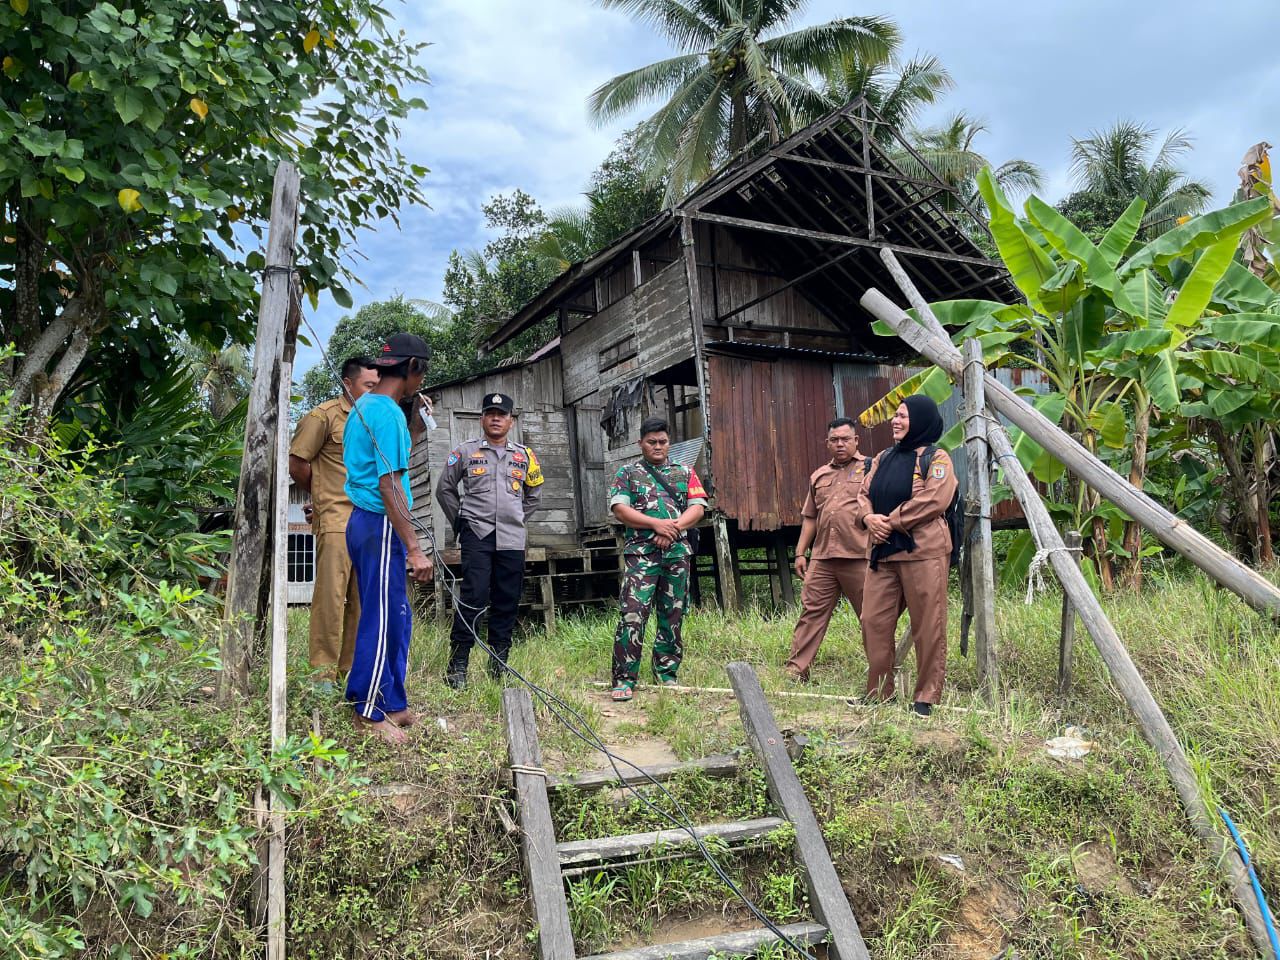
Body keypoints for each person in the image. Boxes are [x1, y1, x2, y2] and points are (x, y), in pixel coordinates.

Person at [342, 333, 435, 744]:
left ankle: (393, 701)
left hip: (369, 524)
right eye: (423, 372)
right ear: (413, 367)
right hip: (379, 524)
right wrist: (415, 548)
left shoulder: (367, 406)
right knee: (381, 619)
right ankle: (367, 710)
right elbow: (390, 485)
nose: (422, 381)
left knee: (397, 615)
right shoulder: (386, 414)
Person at [856, 395, 957, 717]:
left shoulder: (936, 458)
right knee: (872, 621)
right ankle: (878, 692)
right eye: (895, 416)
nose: (895, 421)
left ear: (921, 421)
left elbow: (935, 500)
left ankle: (925, 697)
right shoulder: (883, 456)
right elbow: (862, 493)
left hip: (922, 552)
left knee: (927, 623)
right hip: (882, 553)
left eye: (903, 416)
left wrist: (892, 521)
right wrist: (869, 519)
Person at [435, 392, 543, 689]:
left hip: (511, 538)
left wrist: (517, 517)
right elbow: (445, 489)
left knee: (506, 600)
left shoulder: (525, 456)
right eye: (491, 413)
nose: (496, 418)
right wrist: (462, 521)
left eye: (502, 414)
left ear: (511, 420)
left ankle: (498, 664)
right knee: (474, 596)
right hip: (477, 535)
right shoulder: (466, 452)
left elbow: (534, 495)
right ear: (482, 418)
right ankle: (458, 666)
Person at [288, 357, 379, 689]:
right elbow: (297, 462)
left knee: (363, 598)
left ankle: (351, 671)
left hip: (369, 521)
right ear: (347, 383)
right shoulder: (323, 416)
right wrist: (322, 495)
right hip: (337, 518)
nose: (374, 392)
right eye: (368, 386)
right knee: (330, 597)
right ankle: (322, 675)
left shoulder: (374, 420)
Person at [608, 417, 707, 702]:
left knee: (673, 616)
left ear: (668, 443)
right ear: (641, 443)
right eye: (651, 442)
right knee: (632, 614)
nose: (657, 447)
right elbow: (620, 510)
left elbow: (697, 508)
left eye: (662, 442)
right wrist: (655, 524)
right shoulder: (628, 473)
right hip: (642, 556)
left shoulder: (684, 472)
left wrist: (672, 528)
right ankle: (624, 678)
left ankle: (667, 674)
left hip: (676, 554)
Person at [784, 417, 873, 682]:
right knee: (811, 613)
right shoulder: (819, 476)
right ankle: (796, 670)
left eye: (845, 439)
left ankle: (881, 670)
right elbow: (810, 517)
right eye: (834, 440)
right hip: (822, 558)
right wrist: (801, 552)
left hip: (859, 555)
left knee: (870, 615)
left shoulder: (871, 469)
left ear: (856, 441)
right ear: (827, 443)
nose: (840, 444)